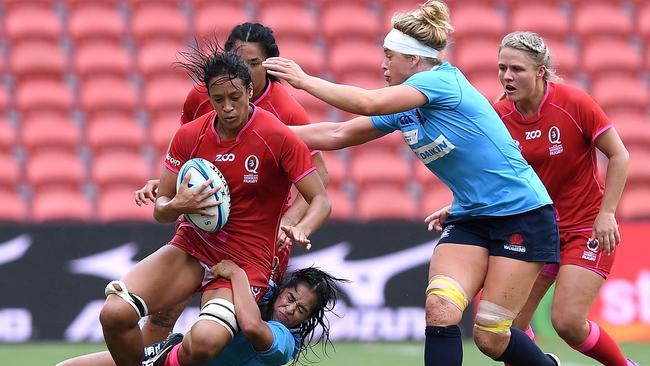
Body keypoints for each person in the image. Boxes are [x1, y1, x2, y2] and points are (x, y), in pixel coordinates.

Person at [262, 1, 562, 365]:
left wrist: (304, 80)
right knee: (440, 308)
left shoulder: (440, 81)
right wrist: (258, 132)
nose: (383, 64)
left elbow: (368, 103)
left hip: (522, 215)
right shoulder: (407, 105)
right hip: (470, 217)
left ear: (414, 60)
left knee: (489, 336)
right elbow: (337, 132)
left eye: (389, 56)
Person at [99, 45, 331, 366]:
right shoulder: (189, 136)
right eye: (217, 99)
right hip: (192, 248)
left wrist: (301, 226)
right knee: (114, 313)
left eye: (235, 98)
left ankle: (169, 353)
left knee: (206, 342)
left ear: (250, 90)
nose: (228, 108)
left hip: (245, 261)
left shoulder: (277, 136)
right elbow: (160, 208)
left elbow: (320, 199)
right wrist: (178, 203)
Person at [492, 31, 635, 366]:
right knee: (504, 327)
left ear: (540, 71)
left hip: (585, 227)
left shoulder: (573, 103)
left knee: (568, 322)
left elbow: (620, 155)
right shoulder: (498, 115)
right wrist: (456, 206)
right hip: (537, 229)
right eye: (502, 68)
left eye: (517, 69)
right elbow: (490, 175)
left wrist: (607, 213)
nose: (507, 77)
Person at [57, 264, 345, 366]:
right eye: (291, 298)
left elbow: (252, 327)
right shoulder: (263, 293)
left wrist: (236, 273)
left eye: (301, 310)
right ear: (284, 289)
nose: (290, 309)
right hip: (170, 354)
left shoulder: (285, 343)